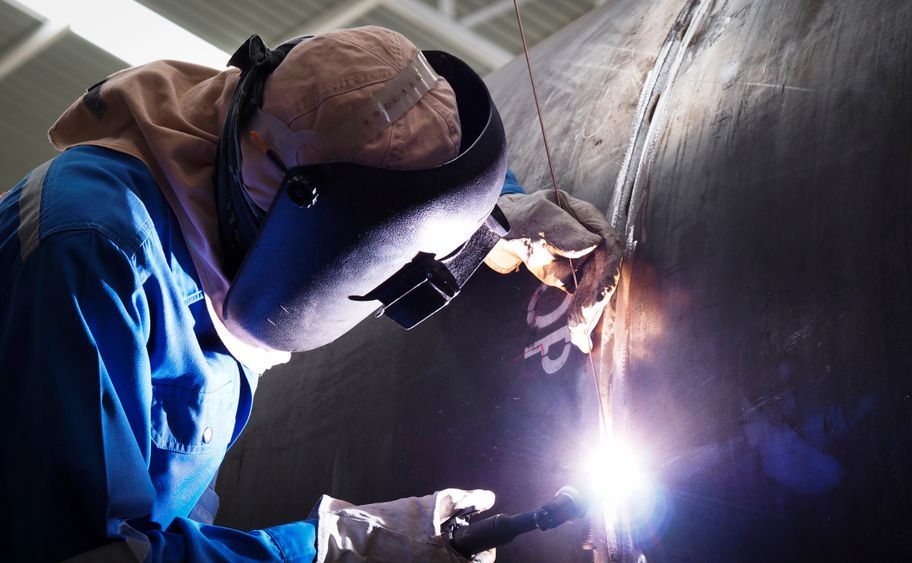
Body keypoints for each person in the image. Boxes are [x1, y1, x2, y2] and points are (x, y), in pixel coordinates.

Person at [0, 26, 621, 562]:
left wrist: (488, 216)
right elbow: (85, 555)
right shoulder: (93, 258)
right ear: (304, 215)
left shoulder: (246, 150)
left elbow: (386, 140)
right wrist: (333, 549)